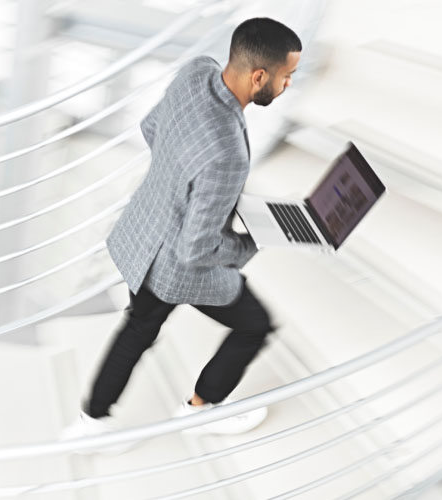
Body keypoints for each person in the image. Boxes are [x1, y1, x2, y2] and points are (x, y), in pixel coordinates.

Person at [65, 18, 302, 441]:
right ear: (260, 76)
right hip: (176, 265)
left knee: (138, 327)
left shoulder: (197, 72)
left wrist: (180, 187)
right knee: (255, 325)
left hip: (144, 236)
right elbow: (197, 247)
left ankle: (91, 422)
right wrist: (252, 241)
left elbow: (151, 127)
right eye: (287, 77)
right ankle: (201, 408)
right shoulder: (227, 151)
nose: (287, 86)